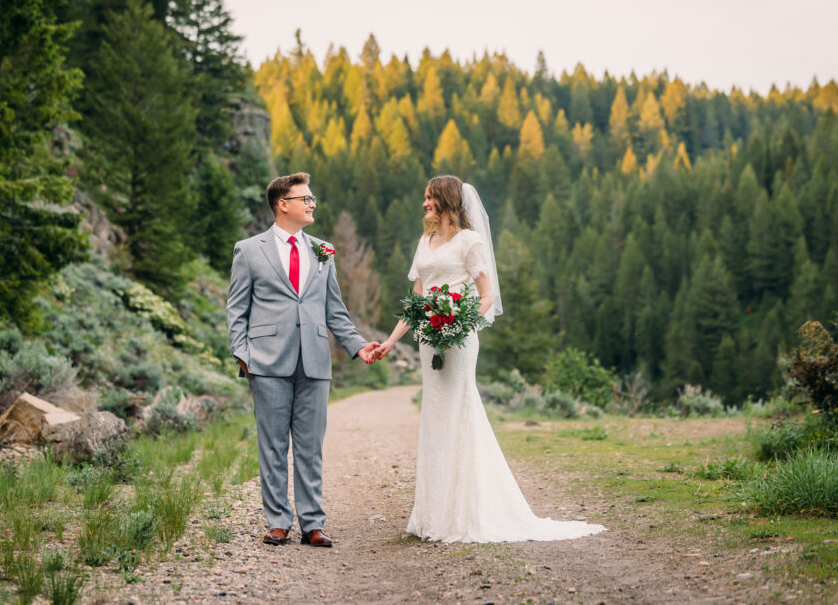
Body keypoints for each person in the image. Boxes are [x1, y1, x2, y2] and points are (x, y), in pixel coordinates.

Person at [374, 175, 606, 543]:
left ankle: (467, 511)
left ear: (447, 200)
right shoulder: (424, 242)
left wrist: (458, 322)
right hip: (427, 340)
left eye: (429, 198)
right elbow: (416, 301)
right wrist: (388, 342)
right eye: (424, 198)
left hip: (460, 337)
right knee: (435, 415)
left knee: (459, 409)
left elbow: (486, 295)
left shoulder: (470, 241)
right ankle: (435, 514)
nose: (424, 204)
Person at [227, 172, 380, 548]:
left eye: (312, 198)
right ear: (283, 204)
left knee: (311, 447)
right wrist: (243, 355)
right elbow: (237, 309)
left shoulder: (323, 249)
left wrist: (358, 346)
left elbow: (334, 309)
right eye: (305, 198)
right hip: (266, 362)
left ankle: (313, 524)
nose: (312, 203)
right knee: (274, 446)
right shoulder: (248, 250)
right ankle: (278, 521)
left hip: (314, 360)